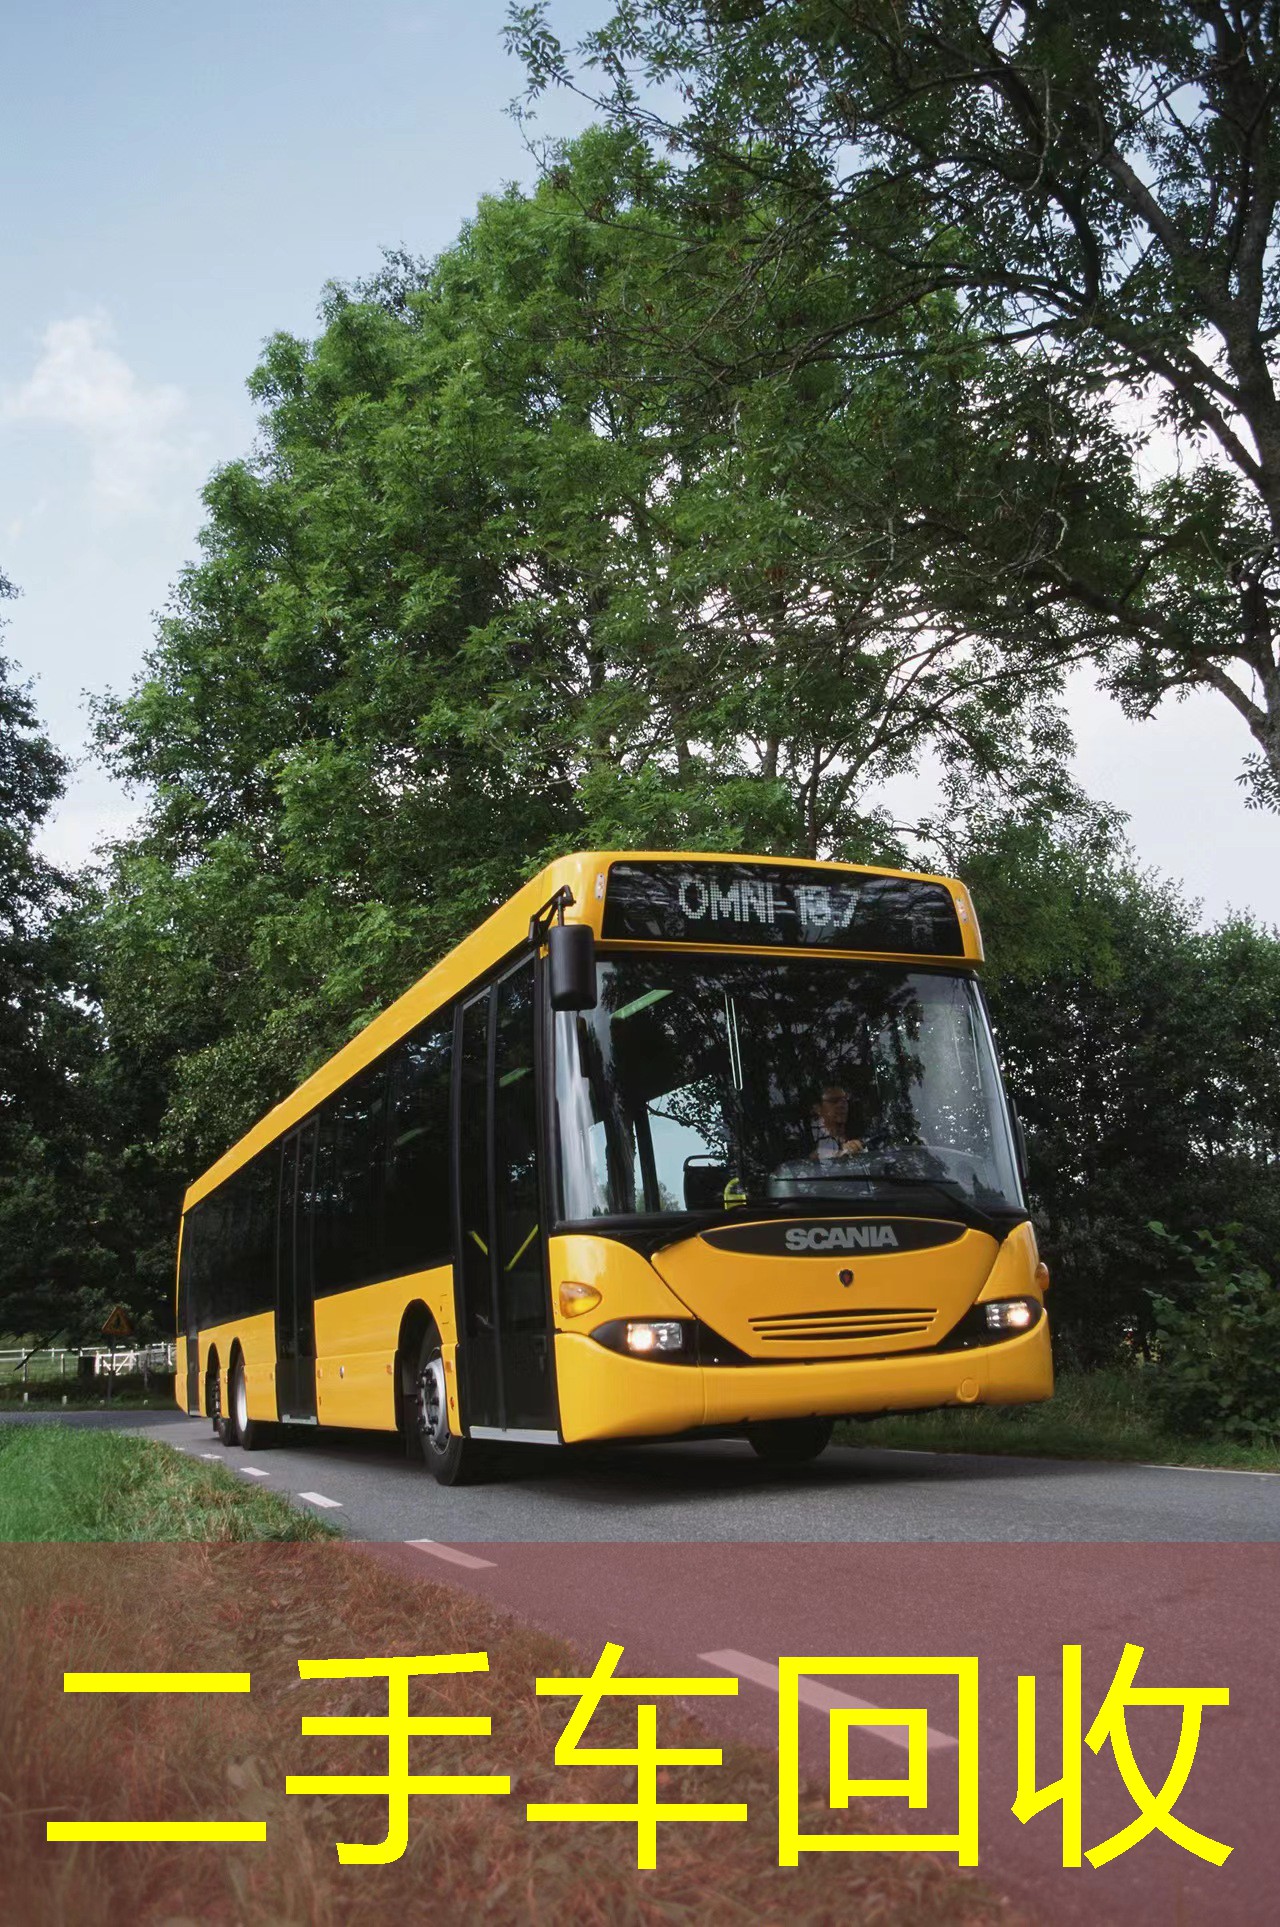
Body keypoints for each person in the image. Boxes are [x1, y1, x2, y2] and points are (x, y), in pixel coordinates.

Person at [810, 1085, 865, 1161]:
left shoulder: (859, 1129)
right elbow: (804, 1159)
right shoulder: (809, 1135)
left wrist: (857, 1146)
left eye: (845, 1100)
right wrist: (838, 1153)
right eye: (834, 1101)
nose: (841, 1105)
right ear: (818, 1108)